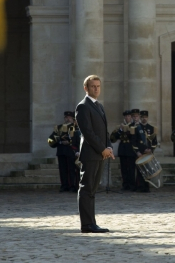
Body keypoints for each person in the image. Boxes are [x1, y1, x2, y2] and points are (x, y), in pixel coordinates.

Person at [75, 75, 114, 234]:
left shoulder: (99, 106)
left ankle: (92, 222)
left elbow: (104, 131)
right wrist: (101, 149)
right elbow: (88, 132)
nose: (96, 89)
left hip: (100, 154)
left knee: (92, 190)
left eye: (98, 86)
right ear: (86, 88)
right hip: (91, 154)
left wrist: (109, 147)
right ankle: (87, 224)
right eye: (93, 86)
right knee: (86, 188)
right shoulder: (83, 106)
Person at [48, 111, 79, 192]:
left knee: (72, 170)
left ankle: (73, 185)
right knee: (63, 170)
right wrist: (60, 142)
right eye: (66, 117)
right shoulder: (59, 128)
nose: (67, 119)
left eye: (69, 118)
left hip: (72, 152)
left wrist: (71, 144)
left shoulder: (76, 128)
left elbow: (79, 140)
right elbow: (51, 140)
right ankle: (64, 185)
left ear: (73, 119)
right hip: (61, 151)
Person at [110, 110, 137, 191]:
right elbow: (113, 138)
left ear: (131, 117)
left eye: (128, 116)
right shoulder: (120, 127)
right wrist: (120, 130)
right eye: (126, 116)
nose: (127, 118)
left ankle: (132, 185)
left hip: (131, 149)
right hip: (123, 149)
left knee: (131, 168)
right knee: (124, 168)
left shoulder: (134, 126)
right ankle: (125, 184)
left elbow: (135, 138)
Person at [132, 110, 158, 192]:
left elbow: (154, 142)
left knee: (147, 170)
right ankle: (140, 186)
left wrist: (151, 149)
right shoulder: (136, 128)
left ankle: (147, 187)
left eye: (145, 117)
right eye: (142, 117)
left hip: (148, 153)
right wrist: (138, 152)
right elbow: (133, 142)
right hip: (140, 152)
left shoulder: (151, 128)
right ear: (140, 118)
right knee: (140, 171)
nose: (144, 119)